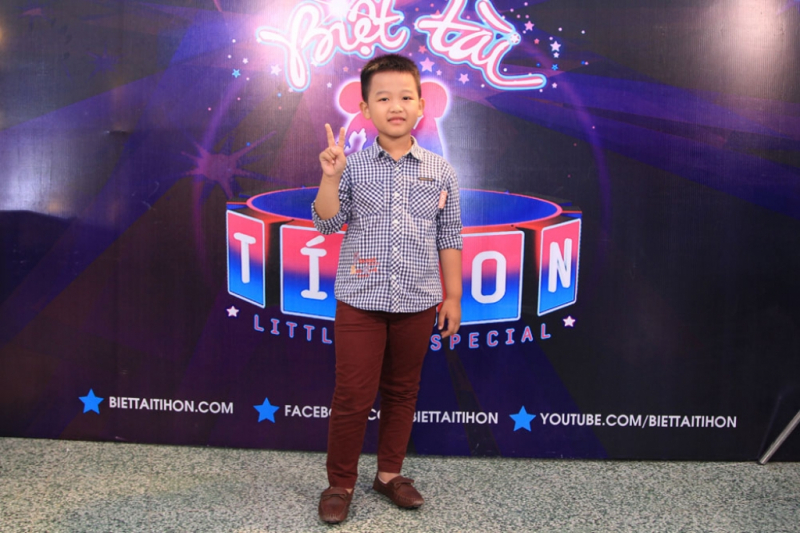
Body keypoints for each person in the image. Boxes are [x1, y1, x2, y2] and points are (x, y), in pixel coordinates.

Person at [311, 53, 463, 524]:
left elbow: (450, 236)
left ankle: (389, 474)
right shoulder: (351, 167)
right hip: (360, 301)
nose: (395, 106)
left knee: (401, 391)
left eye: (405, 97)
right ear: (364, 108)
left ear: (421, 105)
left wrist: (453, 296)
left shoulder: (441, 170)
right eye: (382, 98)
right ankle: (340, 483)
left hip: (418, 301)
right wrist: (330, 177)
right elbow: (326, 222)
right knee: (353, 395)